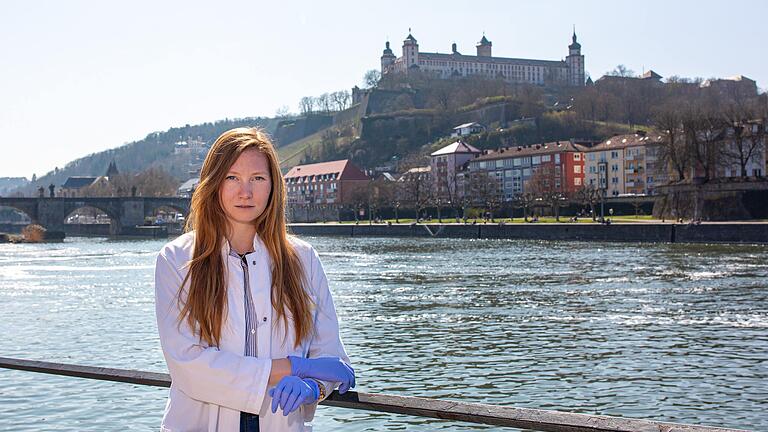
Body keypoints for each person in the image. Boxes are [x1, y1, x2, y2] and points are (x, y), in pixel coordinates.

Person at [154, 128, 354, 432]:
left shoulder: (303, 259)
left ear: (273, 186)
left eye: (258, 179)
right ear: (213, 184)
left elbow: (331, 362)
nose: (245, 192)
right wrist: (291, 368)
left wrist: (314, 387)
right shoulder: (178, 261)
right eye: (232, 178)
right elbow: (188, 365)